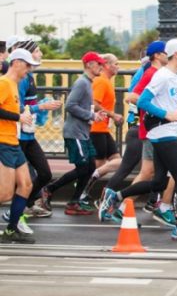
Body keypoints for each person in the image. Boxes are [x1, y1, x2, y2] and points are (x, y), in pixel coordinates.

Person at [105, 38, 177, 241]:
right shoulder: (163, 75)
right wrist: (166, 115)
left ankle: (116, 197)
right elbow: (142, 101)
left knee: (158, 182)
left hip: (164, 131)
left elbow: (167, 103)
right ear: (176, 54)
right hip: (162, 133)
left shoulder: (173, 77)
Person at [97, 41, 166, 223]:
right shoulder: (150, 73)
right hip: (142, 128)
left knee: (148, 172)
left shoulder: (151, 73)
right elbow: (132, 98)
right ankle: (111, 201)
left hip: (143, 127)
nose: (118, 67)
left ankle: (150, 203)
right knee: (129, 168)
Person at [41, 52, 108, 215]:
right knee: (83, 167)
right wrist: (91, 115)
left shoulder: (88, 83)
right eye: (99, 64)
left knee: (90, 166)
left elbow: (81, 107)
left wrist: (94, 115)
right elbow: (70, 105)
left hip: (82, 132)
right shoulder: (82, 83)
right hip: (75, 133)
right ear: (89, 65)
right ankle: (50, 189)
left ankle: (73, 202)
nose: (101, 67)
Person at [7, 40, 61, 219]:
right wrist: (42, 107)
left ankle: (24, 205)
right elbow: (18, 107)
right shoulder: (19, 80)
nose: (41, 55)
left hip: (28, 134)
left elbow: (26, 107)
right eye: (37, 51)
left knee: (45, 174)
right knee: (17, 183)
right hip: (18, 135)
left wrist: (41, 106)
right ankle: (17, 213)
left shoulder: (28, 78)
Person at [0, 49, 40, 243]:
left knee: (26, 185)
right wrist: (18, 117)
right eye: (27, 65)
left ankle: (11, 230)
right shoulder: (4, 83)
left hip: (12, 142)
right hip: (2, 142)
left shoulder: (14, 85)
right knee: (5, 193)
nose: (29, 70)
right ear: (16, 63)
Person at [82, 53, 123, 199]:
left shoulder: (106, 81)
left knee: (118, 162)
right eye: (116, 63)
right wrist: (113, 115)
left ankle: (89, 190)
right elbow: (94, 103)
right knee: (97, 167)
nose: (118, 67)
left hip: (103, 129)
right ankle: (82, 192)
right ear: (106, 65)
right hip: (96, 129)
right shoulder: (101, 81)